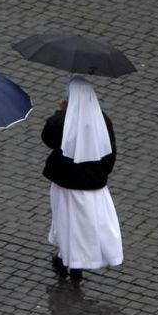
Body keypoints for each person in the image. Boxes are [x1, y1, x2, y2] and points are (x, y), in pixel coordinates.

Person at [41, 76, 123, 281]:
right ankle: (74, 264)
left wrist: (59, 113)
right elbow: (110, 153)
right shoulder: (103, 120)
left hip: (66, 184)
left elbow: (48, 138)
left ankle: (67, 259)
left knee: (66, 221)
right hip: (92, 186)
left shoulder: (64, 120)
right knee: (84, 225)